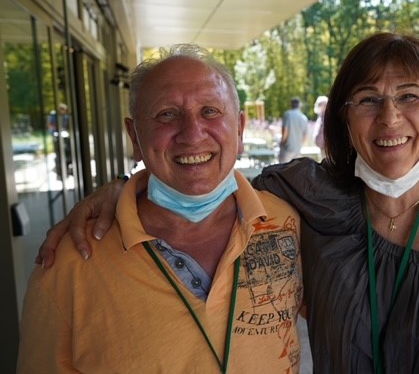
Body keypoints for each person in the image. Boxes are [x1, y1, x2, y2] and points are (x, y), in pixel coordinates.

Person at [38, 33, 419, 373]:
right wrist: (121, 189)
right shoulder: (309, 201)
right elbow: (204, 171)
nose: (389, 118)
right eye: (368, 100)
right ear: (343, 118)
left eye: (410, 96)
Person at [19, 45, 304, 373]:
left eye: (210, 111)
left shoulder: (290, 222)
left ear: (239, 129)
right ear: (135, 136)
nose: (192, 134)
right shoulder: (69, 263)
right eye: (167, 114)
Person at [278, 97, 308, 163]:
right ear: (299, 105)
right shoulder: (304, 118)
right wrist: (299, 145)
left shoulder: (287, 114)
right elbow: (305, 137)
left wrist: (281, 143)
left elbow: (285, 131)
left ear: (291, 104)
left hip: (287, 149)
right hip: (297, 150)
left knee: (283, 168)